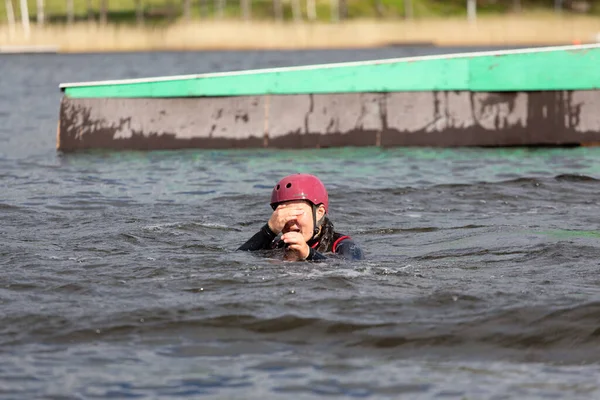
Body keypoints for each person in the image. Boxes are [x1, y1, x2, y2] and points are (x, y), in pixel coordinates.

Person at [238, 173, 364, 261]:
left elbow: (348, 270)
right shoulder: (278, 245)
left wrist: (308, 253)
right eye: (283, 214)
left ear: (319, 212)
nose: (289, 221)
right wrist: (269, 231)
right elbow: (238, 258)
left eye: (296, 212)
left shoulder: (344, 246)